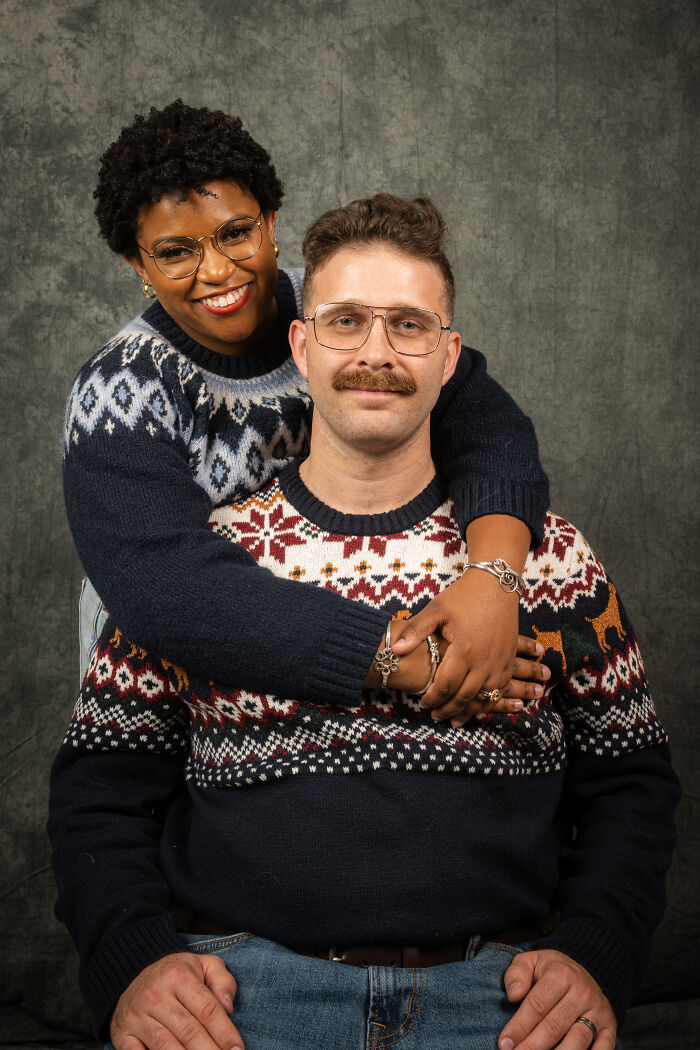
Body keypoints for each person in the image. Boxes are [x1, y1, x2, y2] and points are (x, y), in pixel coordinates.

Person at [49, 194, 679, 1050]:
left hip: (500, 1001)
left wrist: (597, 955)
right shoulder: (205, 567)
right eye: (345, 322)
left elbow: (631, 785)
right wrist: (132, 962)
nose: (376, 355)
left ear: (451, 358)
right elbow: (101, 791)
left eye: (410, 327)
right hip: (240, 997)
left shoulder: (549, 556)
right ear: (300, 347)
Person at [63, 100, 551, 728]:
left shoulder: (339, 314)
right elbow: (166, 587)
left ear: (269, 221)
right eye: (176, 252)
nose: (217, 271)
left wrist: (492, 581)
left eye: (236, 233)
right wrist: (415, 662)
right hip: (182, 673)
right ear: (139, 265)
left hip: (369, 624)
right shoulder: (118, 391)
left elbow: (492, 429)